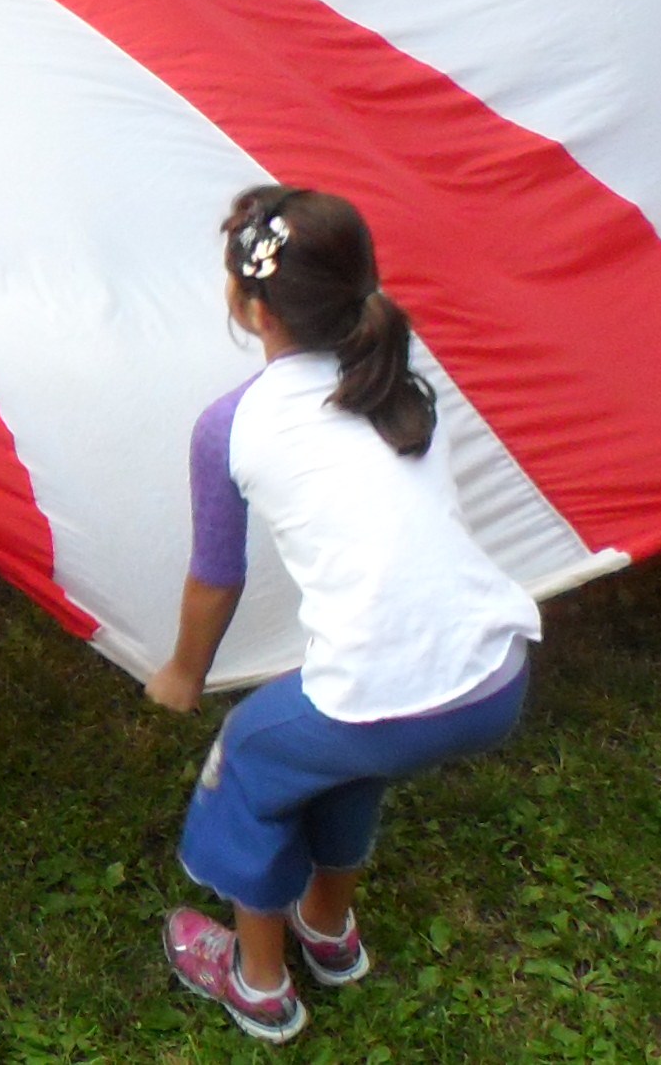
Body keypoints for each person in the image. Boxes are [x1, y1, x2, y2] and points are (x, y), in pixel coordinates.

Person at [148, 186, 540, 1045]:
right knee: (342, 756)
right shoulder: (402, 385)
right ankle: (326, 928)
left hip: (389, 691)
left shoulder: (230, 426)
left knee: (251, 757)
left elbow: (216, 577)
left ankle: (257, 982)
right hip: (495, 671)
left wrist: (183, 672)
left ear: (249, 307)